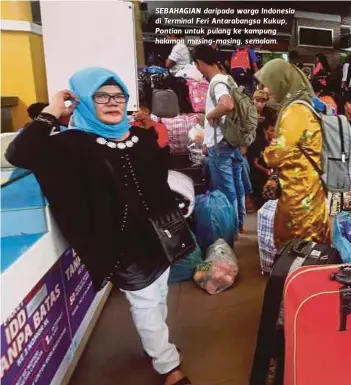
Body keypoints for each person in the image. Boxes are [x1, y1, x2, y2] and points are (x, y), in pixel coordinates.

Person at [5, 68, 191, 385]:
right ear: (84, 101)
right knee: (145, 302)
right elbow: (19, 153)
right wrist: (52, 111)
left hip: (159, 235)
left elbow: (158, 177)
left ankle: (155, 346)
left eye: (118, 95)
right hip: (121, 242)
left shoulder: (139, 135)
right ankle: (168, 365)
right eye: (101, 96)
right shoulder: (73, 144)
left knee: (158, 296)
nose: (112, 102)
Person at [254, 59, 330, 248]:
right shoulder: (303, 105)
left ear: (282, 83)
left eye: (269, 85)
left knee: (298, 236)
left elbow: (277, 154)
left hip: (300, 188)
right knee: (312, 231)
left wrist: (267, 153)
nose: (266, 91)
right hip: (307, 183)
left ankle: (300, 272)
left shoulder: (294, 111)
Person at [191, 44, 246, 232]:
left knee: (226, 190)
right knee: (237, 187)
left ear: (199, 63)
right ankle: (239, 225)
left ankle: (231, 228)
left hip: (221, 144)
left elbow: (227, 104)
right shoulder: (229, 80)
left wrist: (209, 116)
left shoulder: (218, 82)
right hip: (233, 141)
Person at [246, 108, 277, 210]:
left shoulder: (277, 142)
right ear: (265, 130)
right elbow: (254, 163)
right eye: (271, 130)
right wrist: (266, 171)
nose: (274, 133)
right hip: (259, 172)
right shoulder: (258, 143)